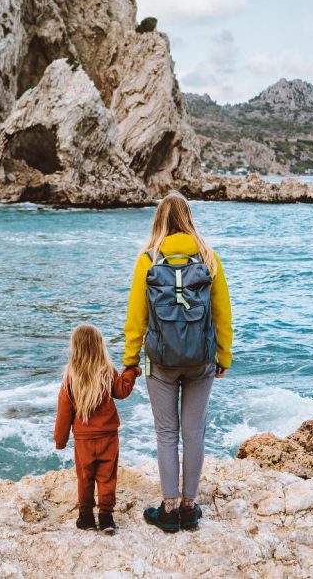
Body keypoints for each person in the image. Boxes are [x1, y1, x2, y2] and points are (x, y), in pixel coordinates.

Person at [123, 191, 233, 533]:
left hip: (161, 362)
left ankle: (168, 509)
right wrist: (224, 355)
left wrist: (130, 361)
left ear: (159, 220)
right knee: (194, 432)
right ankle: (189, 506)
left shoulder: (148, 259)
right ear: (189, 218)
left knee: (166, 433)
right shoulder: (209, 258)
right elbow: (223, 314)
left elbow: (136, 317)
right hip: (201, 359)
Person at [53, 324, 138, 534]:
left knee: (85, 477)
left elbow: (64, 413)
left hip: (84, 439)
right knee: (107, 477)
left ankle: (86, 517)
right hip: (108, 436)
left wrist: (60, 440)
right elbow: (122, 390)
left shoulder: (70, 378)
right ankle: (106, 518)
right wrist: (132, 371)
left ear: (75, 348)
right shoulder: (107, 371)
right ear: (100, 347)